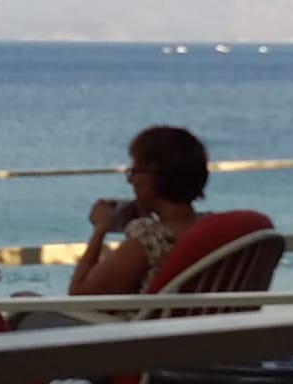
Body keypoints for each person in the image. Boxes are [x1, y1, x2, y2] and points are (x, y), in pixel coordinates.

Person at [69, 124, 207, 297]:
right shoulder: (211, 230)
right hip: (207, 315)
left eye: (134, 171)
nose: (130, 181)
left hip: (143, 315)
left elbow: (80, 293)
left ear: (155, 175)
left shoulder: (150, 238)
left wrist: (100, 228)